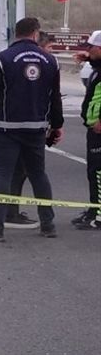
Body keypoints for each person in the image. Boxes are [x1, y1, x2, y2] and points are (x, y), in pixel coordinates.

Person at [0, 17, 63, 241]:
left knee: (2, 176)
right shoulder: (51, 61)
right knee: (38, 175)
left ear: (17, 33)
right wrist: (56, 125)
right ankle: (48, 224)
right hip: (36, 128)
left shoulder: (3, 59)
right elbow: (55, 98)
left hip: (6, 128)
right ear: (35, 33)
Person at [72, 30, 101, 230]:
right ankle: (93, 209)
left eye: (91, 48)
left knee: (98, 172)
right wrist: (89, 60)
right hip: (93, 128)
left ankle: (98, 215)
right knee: (92, 171)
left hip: (99, 128)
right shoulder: (97, 68)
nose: (87, 50)